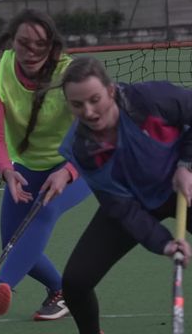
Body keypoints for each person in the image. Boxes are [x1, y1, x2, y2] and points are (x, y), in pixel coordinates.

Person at [0, 9, 91, 326]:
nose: (31, 51)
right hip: (26, 167)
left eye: (40, 43)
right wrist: (6, 170)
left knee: (45, 208)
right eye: (24, 42)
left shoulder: (72, 74)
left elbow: (93, 133)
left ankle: (2, 290)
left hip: (77, 164)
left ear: (52, 46)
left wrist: (67, 172)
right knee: (11, 241)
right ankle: (60, 290)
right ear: (12, 42)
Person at [58, 56, 192, 334]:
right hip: (134, 200)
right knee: (75, 282)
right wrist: (164, 243)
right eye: (78, 104)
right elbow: (122, 208)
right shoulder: (81, 148)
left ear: (110, 90)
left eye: (95, 99)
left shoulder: (150, 100)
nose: (89, 111)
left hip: (183, 183)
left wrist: (185, 164)